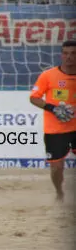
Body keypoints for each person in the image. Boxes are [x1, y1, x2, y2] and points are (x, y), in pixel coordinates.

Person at [29, 40, 76, 202]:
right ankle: (59, 193)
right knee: (57, 168)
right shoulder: (48, 75)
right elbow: (34, 98)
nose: (69, 57)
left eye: (73, 53)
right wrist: (53, 108)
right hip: (55, 130)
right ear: (61, 54)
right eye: (65, 53)